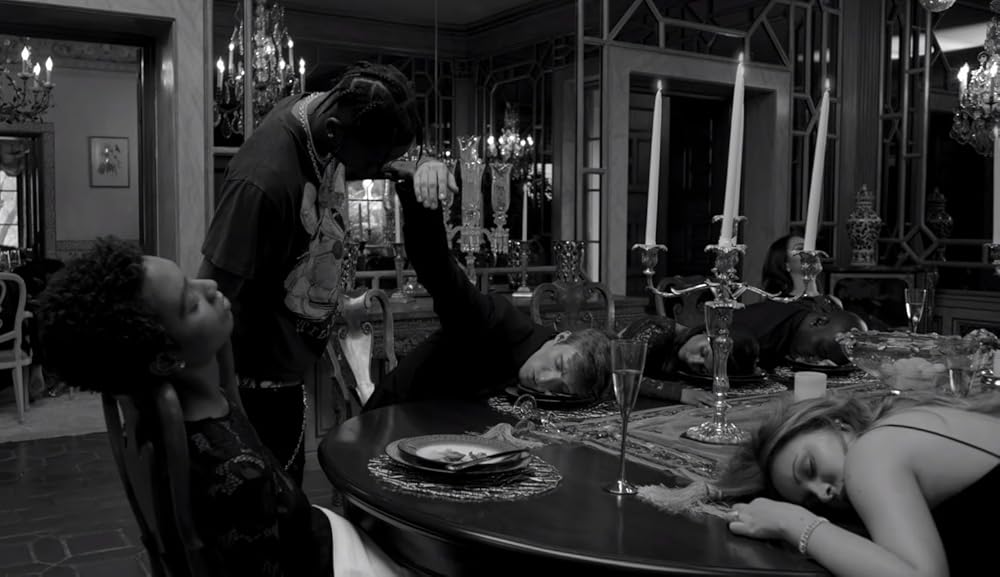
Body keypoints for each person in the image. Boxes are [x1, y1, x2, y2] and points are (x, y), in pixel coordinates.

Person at [37, 237, 410, 577]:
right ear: (166, 360)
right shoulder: (236, 475)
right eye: (191, 303)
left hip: (315, 533)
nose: (210, 287)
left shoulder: (168, 414)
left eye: (190, 280)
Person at [199, 61, 455, 483]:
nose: (376, 173)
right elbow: (210, 297)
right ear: (335, 132)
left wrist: (426, 165)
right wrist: (231, 412)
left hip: (286, 376)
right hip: (254, 392)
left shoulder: (322, 116)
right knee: (271, 508)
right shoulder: (262, 183)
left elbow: (382, 153)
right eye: (377, 161)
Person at [363, 176, 612, 410]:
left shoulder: (551, 385)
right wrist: (420, 189)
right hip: (397, 414)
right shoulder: (498, 323)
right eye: (558, 364)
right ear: (561, 337)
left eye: (560, 388)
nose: (544, 380)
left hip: (451, 429)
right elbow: (440, 274)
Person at [722, 392, 1000, 577]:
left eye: (809, 467)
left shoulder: (869, 453)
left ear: (837, 424)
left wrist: (794, 523)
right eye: (811, 501)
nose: (824, 494)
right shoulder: (903, 423)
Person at [619, 316, 759, 407]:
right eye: (703, 352)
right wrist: (679, 393)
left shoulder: (687, 366)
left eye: (702, 368)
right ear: (707, 332)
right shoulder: (658, 330)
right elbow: (622, 378)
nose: (692, 360)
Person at [732, 298, 866, 370]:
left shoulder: (796, 317)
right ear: (819, 322)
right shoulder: (757, 337)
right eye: (820, 351)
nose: (815, 362)